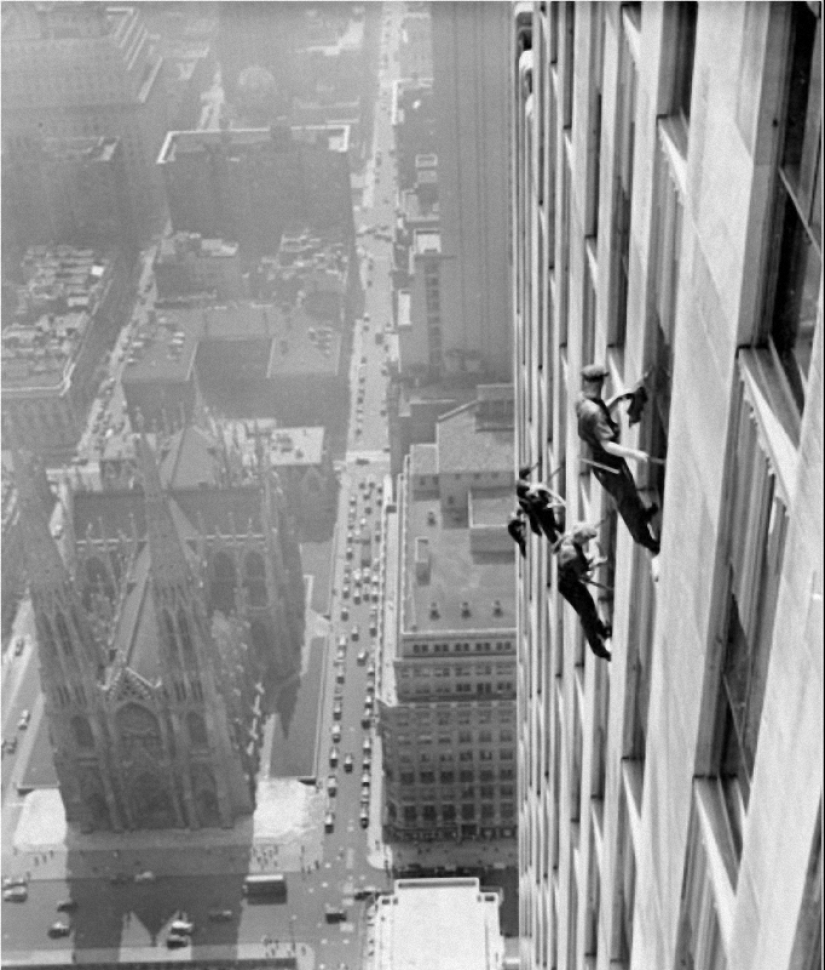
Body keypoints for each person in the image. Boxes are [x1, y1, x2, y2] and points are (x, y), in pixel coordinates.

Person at [575, 364, 660, 554]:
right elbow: (607, 445)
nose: (604, 384)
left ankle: (643, 515)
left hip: (606, 462)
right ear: (596, 384)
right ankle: (645, 540)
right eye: (602, 381)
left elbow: (602, 408)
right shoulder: (594, 413)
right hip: (607, 465)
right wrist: (635, 454)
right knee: (626, 501)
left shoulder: (583, 400)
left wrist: (619, 398)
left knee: (630, 490)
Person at [554, 523, 612, 661]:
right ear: (579, 537)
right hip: (570, 587)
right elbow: (585, 576)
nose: (586, 542)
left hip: (568, 580)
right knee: (586, 615)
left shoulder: (568, 537)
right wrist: (596, 563)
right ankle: (599, 650)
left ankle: (603, 631)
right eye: (585, 540)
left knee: (590, 605)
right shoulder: (573, 556)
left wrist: (588, 559)